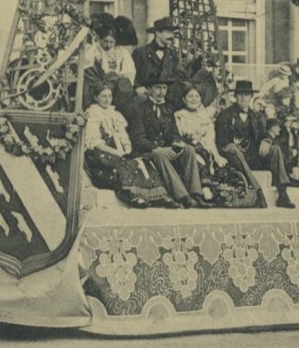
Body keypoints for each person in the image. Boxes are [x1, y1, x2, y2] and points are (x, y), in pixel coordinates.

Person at [82, 84, 171, 208]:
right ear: (96, 97)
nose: (107, 99)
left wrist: (127, 148)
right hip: (101, 154)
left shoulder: (115, 114)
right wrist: (117, 153)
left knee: (142, 162)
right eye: (103, 96)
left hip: (119, 151)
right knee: (123, 164)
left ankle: (157, 196)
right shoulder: (92, 114)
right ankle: (134, 196)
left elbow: (124, 137)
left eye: (109, 96)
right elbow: (96, 143)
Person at [126, 78, 209, 208]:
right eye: (158, 88)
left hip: (166, 149)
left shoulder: (168, 109)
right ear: (149, 90)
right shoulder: (140, 109)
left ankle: (195, 194)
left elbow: (174, 133)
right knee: (160, 154)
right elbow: (138, 139)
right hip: (148, 151)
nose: (162, 92)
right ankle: (182, 196)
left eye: (164, 88)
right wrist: (156, 148)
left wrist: (178, 142)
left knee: (189, 149)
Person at [83, 22, 137, 110]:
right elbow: (87, 71)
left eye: (111, 42)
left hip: (116, 89)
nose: (108, 45)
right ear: (99, 39)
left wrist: (114, 78)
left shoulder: (122, 52)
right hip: (96, 87)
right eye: (105, 41)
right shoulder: (91, 50)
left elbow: (129, 73)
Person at [131, 17, 183, 102]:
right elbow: (132, 76)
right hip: (144, 100)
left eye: (173, 33)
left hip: (166, 101)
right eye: (168, 32)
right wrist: (137, 88)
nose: (172, 36)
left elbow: (178, 76)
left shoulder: (173, 55)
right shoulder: (140, 53)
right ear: (158, 33)